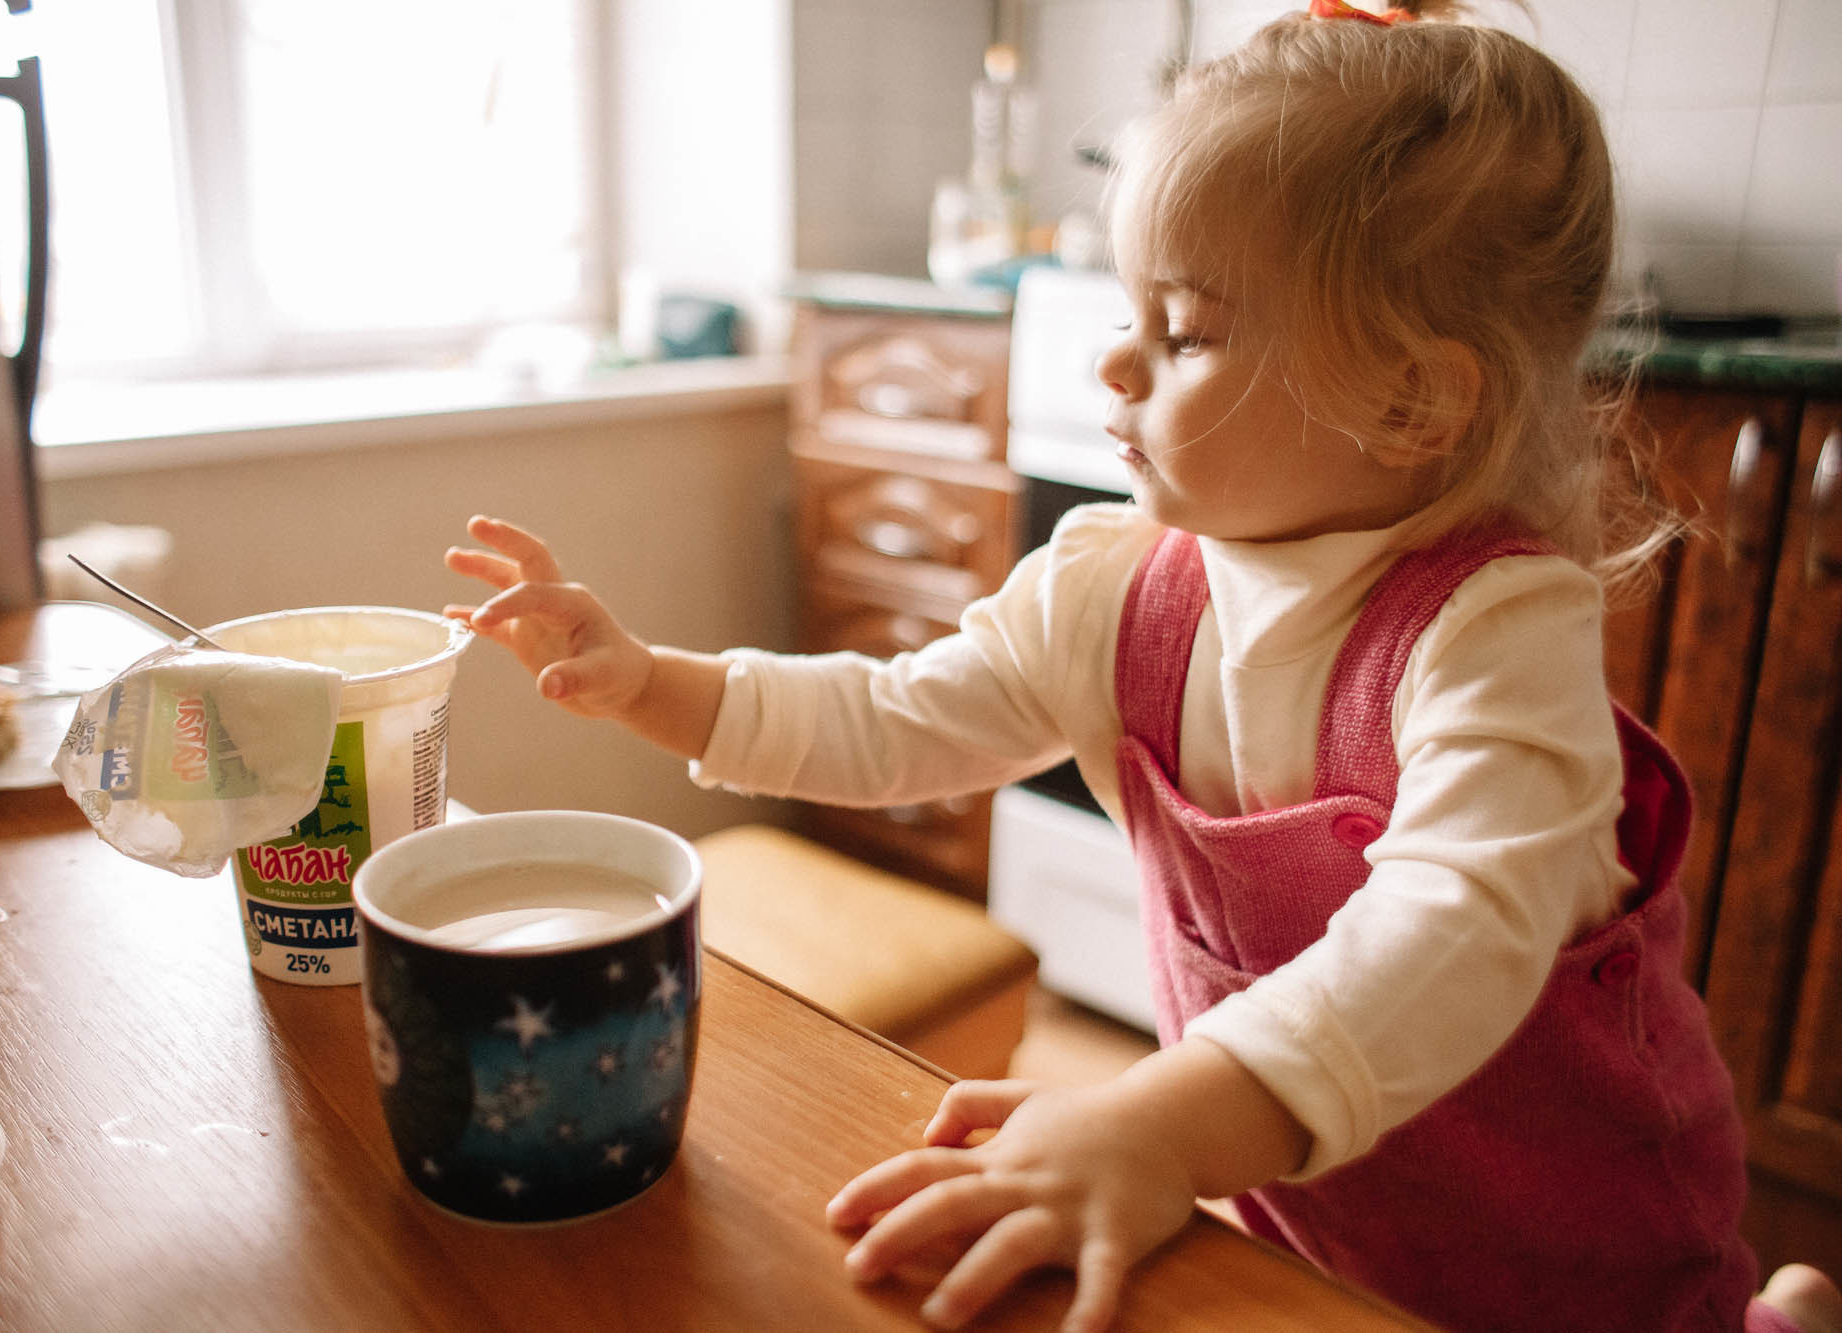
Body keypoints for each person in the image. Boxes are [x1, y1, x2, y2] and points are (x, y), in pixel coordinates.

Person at [442, 2, 1842, 1329]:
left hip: (1578, 1243)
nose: (1118, 363)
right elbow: (891, 716)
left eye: (1186, 331)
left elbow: (1456, 926)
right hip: (1314, 1194)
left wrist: (1163, 1119)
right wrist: (655, 679)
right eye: (1130, 312)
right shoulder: (1118, 588)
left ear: (1412, 396)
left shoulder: (1492, 630)